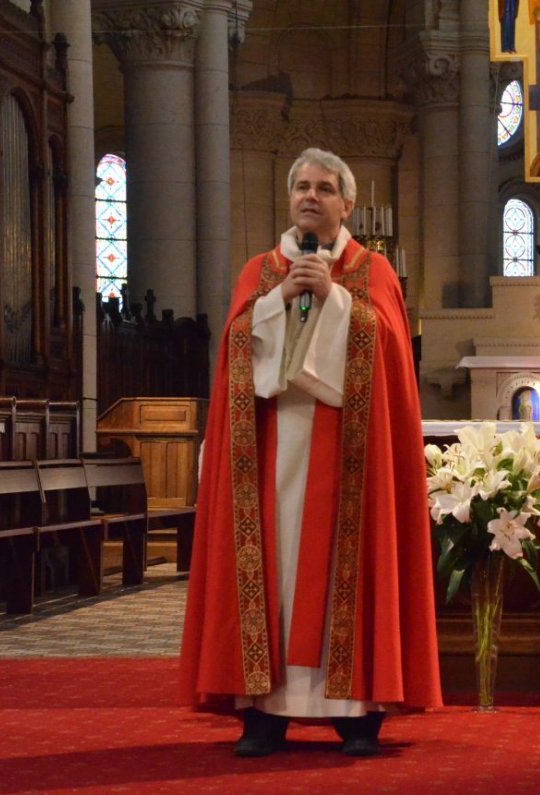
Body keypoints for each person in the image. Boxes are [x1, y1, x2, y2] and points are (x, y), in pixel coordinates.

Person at [179, 148, 442, 759]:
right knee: (273, 572)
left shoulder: (372, 272)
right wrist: (276, 304)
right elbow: (236, 345)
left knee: (345, 571)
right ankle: (263, 714)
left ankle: (356, 714)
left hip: (351, 457)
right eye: (301, 186)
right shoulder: (258, 271)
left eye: (324, 188)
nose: (310, 197)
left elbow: (393, 358)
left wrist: (335, 301)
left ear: (347, 204)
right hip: (270, 450)